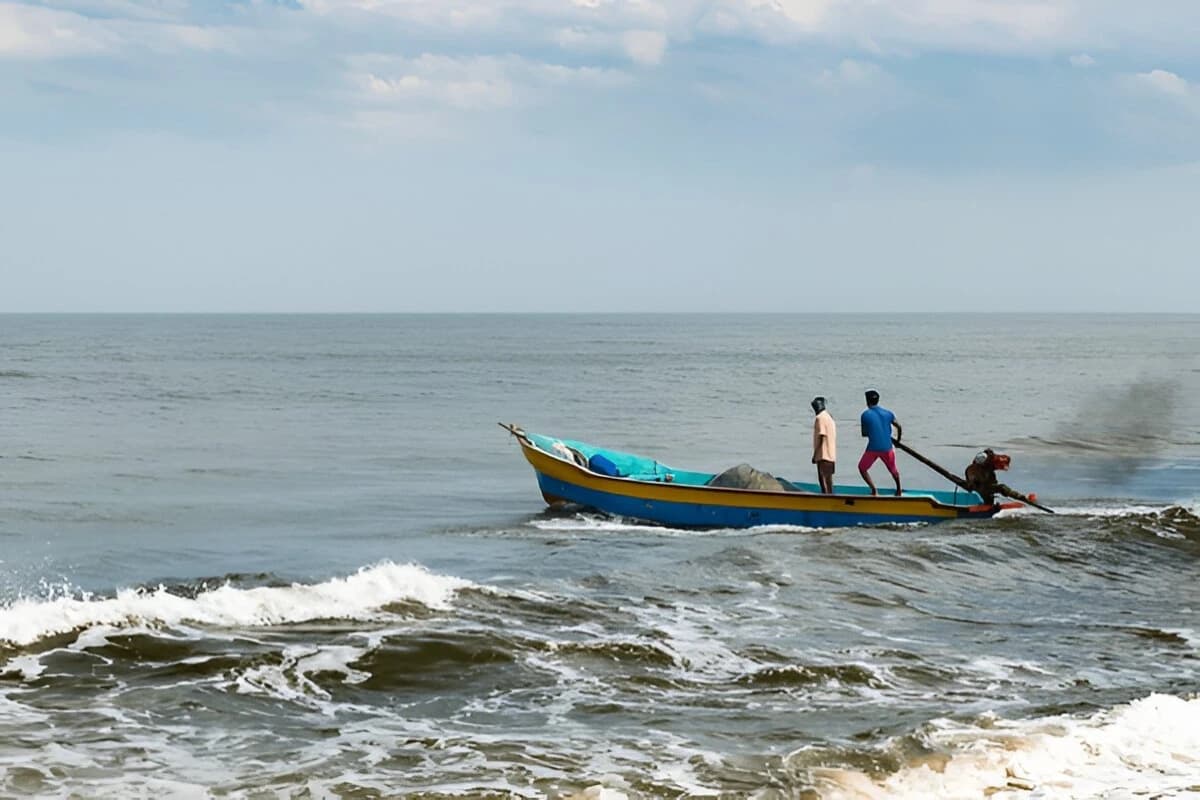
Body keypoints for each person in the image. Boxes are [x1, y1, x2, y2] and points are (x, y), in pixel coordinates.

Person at [859, 389, 903, 496]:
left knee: (862, 468)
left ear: (867, 401)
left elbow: (864, 433)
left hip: (873, 448)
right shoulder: (888, 413)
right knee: (893, 469)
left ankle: (874, 490)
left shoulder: (865, 415)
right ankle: (899, 490)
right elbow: (899, 426)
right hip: (887, 447)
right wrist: (898, 441)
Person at [810, 396, 836, 494]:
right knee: (829, 480)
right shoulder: (829, 417)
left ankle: (825, 498)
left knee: (823, 479)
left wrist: (815, 454)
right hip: (831, 454)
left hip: (823, 454)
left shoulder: (820, 418)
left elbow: (822, 436)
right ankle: (830, 497)